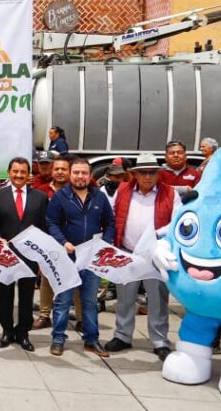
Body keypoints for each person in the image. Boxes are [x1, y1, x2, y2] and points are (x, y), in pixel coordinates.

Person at [103, 153, 179, 361]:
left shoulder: (170, 194)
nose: (147, 176)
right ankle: (122, 335)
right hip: (127, 250)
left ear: (158, 174)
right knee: (125, 298)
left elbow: (177, 223)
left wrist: (157, 235)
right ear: (135, 175)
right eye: (143, 172)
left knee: (157, 299)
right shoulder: (123, 190)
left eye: (152, 172)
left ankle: (160, 340)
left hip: (155, 253)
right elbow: (112, 215)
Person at [46, 157, 116, 357]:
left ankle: (91, 340)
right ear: (70, 174)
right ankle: (58, 339)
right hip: (68, 257)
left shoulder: (99, 197)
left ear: (90, 175)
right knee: (62, 300)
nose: (80, 176)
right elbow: (51, 222)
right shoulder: (61, 196)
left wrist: (106, 243)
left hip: (91, 258)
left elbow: (110, 223)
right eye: (76, 172)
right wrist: (62, 241)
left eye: (84, 173)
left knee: (90, 302)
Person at [0, 157, 47, 352]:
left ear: (28, 174)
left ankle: (23, 333)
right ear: (9, 172)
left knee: (26, 296)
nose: (19, 175)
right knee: (5, 295)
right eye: (15, 171)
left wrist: (41, 256)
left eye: (23, 172)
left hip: (30, 256)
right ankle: (7, 331)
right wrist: (0, 240)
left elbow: (43, 228)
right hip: (5, 256)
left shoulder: (40, 197)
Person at [33, 154, 72, 330]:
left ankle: (79, 318)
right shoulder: (41, 191)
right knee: (47, 279)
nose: (60, 172)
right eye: (57, 169)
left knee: (75, 279)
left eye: (64, 169)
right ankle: (44, 315)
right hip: (48, 241)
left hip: (73, 241)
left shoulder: (78, 190)